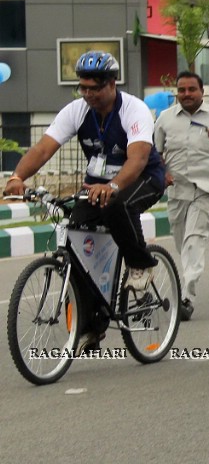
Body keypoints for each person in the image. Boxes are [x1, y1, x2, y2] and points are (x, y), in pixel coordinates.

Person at [3, 51, 165, 351]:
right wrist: (17, 177)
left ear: (113, 83)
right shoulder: (76, 111)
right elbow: (42, 149)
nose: (88, 94)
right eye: (83, 87)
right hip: (98, 184)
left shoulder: (134, 109)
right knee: (76, 237)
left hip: (143, 177)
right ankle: (90, 326)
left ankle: (140, 263)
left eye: (95, 88)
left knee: (118, 205)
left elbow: (139, 157)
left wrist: (114, 185)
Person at [154, 71, 209, 321]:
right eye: (182, 90)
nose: (186, 94)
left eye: (192, 89)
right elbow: (156, 152)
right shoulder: (164, 119)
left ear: (202, 92)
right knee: (183, 242)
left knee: (193, 241)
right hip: (177, 190)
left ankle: (187, 298)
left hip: (207, 188)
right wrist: (163, 172)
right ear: (176, 93)